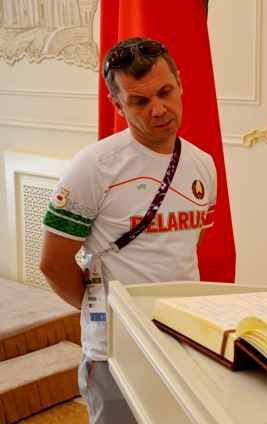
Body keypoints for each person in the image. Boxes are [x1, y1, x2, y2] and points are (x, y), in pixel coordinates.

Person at [39, 37, 217, 424]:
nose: (159, 109)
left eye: (165, 92)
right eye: (139, 101)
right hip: (115, 352)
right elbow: (53, 263)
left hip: (181, 342)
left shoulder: (203, 164)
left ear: (180, 83)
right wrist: (105, 313)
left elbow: (189, 245)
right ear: (117, 105)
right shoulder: (93, 166)